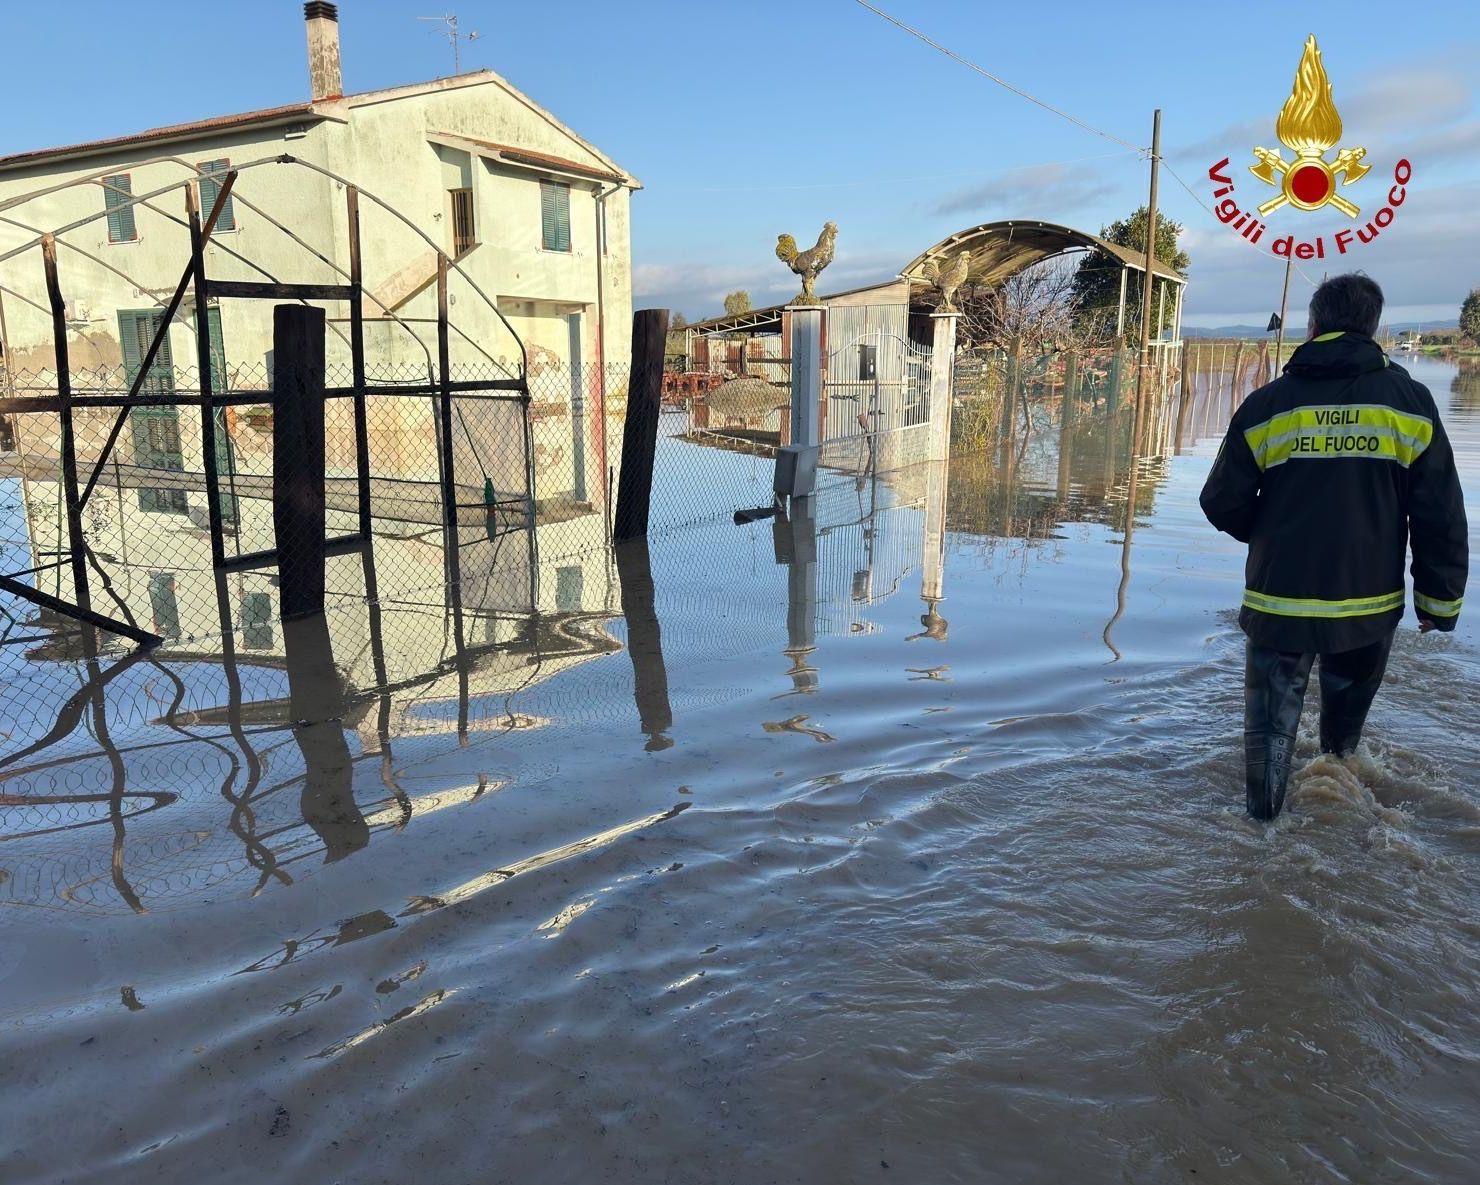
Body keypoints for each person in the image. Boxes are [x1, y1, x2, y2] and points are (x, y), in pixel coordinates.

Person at [1200, 273, 1467, 820]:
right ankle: (1343, 820)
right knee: (1342, 750)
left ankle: (1261, 842)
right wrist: (1438, 603)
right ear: (1373, 328)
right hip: (1366, 612)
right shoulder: (1411, 403)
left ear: (1314, 326)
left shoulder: (1267, 404)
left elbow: (1219, 501)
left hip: (1279, 605)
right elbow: (1439, 514)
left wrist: (1274, 532)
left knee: (1268, 752)